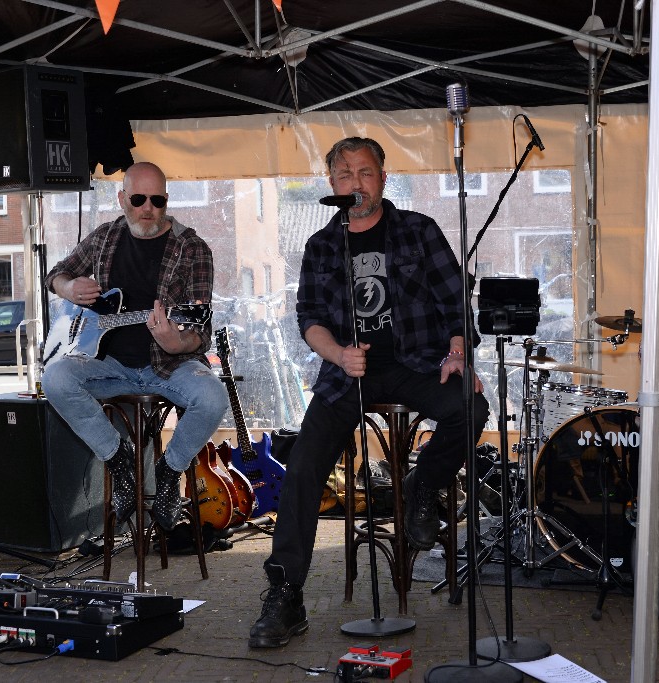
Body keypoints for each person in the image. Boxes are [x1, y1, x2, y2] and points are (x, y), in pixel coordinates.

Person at [248, 137, 489, 649]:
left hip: (417, 364)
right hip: (347, 375)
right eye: (344, 175)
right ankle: (286, 593)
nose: (355, 183)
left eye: (365, 172)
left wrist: (458, 352)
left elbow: (455, 302)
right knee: (306, 464)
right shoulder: (319, 245)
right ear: (331, 183)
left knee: (470, 406)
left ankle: (421, 490)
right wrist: (337, 354)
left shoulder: (418, 231)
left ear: (383, 176)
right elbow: (308, 319)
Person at [40, 162, 228, 528]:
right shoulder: (104, 238)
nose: (148, 209)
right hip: (109, 365)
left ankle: (170, 472)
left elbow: (200, 331)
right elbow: (56, 274)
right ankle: (118, 459)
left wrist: (176, 342)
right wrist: (68, 288)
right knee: (56, 378)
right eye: (139, 199)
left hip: (169, 366)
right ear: (122, 197)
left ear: (166, 201)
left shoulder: (193, 249)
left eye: (157, 200)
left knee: (213, 398)